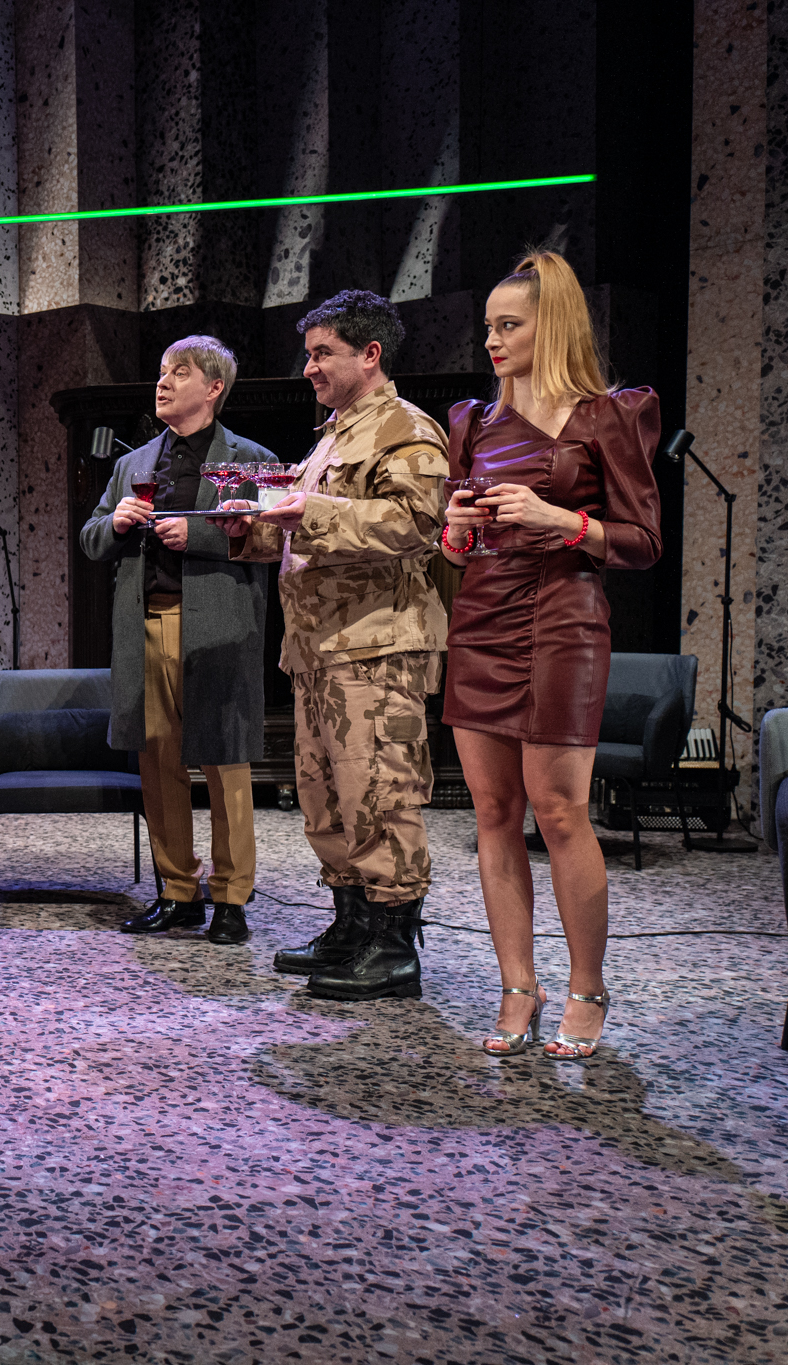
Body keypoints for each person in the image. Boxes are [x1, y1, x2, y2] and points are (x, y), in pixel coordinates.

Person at [441, 250, 661, 1060]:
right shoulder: (473, 422)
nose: (492, 340)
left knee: (560, 810)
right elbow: (456, 545)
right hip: (482, 618)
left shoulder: (611, 416)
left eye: (509, 325)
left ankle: (587, 987)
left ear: (554, 326)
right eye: (489, 326)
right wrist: (455, 532)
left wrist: (558, 519)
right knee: (493, 812)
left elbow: (642, 541)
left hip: (565, 619)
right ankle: (516, 985)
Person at [218, 289, 448, 1001]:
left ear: (370, 354)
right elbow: (306, 533)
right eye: (309, 353)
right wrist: (252, 527)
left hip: (375, 645)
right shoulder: (334, 435)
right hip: (318, 648)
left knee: (379, 792)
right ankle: (351, 926)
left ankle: (394, 947)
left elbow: (417, 522)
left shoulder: (406, 429)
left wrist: (309, 509)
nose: (310, 367)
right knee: (326, 797)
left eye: (324, 353)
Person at [78, 336, 271, 944]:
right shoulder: (133, 463)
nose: (162, 382)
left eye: (178, 373)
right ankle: (177, 891)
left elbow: (273, 541)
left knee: (224, 760)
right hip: (147, 623)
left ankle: (231, 898)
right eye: (161, 371)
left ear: (213, 388)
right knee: (158, 759)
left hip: (215, 625)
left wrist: (204, 538)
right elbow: (89, 537)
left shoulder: (250, 458)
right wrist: (114, 523)